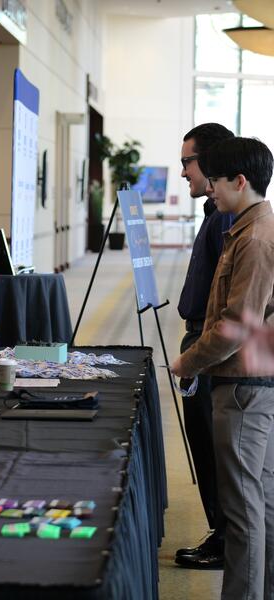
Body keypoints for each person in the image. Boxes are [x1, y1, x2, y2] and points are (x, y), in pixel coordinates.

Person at [172, 136, 274, 600]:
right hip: (251, 383)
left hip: (243, 388)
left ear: (240, 180)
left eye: (214, 181)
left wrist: (188, 362)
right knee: (260, 503)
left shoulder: (254, 238)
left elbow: (237, 324)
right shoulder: (247, 228)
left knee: (242, 509)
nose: (208, 189)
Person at [175, 123, 234, 569]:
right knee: (204, 443)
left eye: (187, 163)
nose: (183, 174)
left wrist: (198, 355)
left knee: (214, 449)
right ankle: (223, 532)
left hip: (209, 346)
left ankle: (225, 538)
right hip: (200, 336)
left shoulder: (227, 221)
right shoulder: (214, 216)